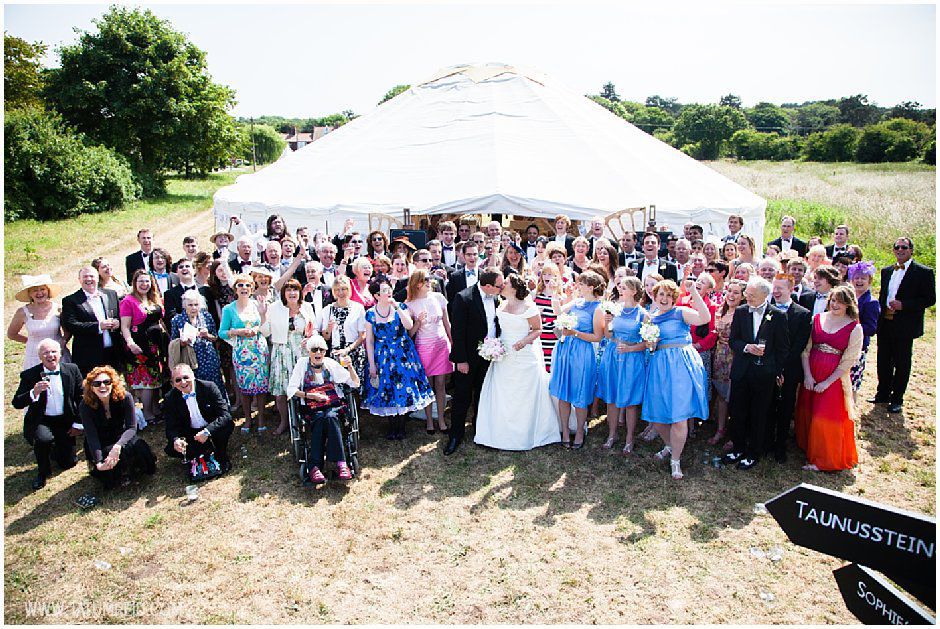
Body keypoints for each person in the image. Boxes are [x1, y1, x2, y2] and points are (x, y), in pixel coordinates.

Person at [473, 274, 559, 450]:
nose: (502, 285)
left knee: (524, 392)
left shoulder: (529, 307)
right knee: (503, 391)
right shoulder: (501, 304)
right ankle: (499, 432)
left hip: (524, 353)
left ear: (514, 287)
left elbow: (537, 330)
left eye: (506, 283)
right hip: (503, 353)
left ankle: (527, 432)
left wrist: (524, 341)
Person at [641, 277, 712, 479]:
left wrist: (694, 292)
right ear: (654, 297)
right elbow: (649, 345)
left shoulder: (681, 312)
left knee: (679, 416)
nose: (664, 298)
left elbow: (704, 318)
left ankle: (675, 461)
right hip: (659, 367)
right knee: (659, 416)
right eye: (660, 294)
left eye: (668, 295)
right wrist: (651, 343)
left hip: (681, 365)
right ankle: (670, 446)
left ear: (674, 297)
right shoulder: (650, 318)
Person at [722, 277, 790, 471]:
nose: (747, 297)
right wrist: (746, 348)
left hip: (764, 374)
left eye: (751, 295)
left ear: (764, 295)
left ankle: (754, 452)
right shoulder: (742, 312)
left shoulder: (777, 315)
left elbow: (783, 348)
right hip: (742, 370)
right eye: (747, 294)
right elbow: (733, 340)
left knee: (759, 414)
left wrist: (775, 371)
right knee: (737, 411)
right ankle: (738, 447)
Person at [795, 286, 863, 471]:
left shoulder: (854, 327)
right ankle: (807, 448)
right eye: (833, 300)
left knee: (824, 417)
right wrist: (807, 375)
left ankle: (823, 459)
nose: (835, 305)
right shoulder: (817, 318)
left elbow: (849, 360)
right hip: (812, 370)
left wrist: (827, 382)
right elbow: (806, 349)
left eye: (840, 302)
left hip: (833, 378)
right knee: (808, 411)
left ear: (848, 304)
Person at [363, 280, 434, 439]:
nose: (388, 292)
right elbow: (369, 340)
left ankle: (402, 426)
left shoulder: (400, 307)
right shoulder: (370, 314)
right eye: (383, 290)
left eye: (389, 289)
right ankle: (392, 426)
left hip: (402, 354)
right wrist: (372, 365)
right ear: (376, 295)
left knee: (403, 388)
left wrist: (396, 306)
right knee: (387, 389)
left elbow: (409, 326)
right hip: (383, 356)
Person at [872, 237, 936, 413]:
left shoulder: (923, 272)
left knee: (902, 362)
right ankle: (882, 393)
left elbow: (930, 299)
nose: (900, 250)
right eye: (897, 247)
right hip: (886, 323)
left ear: (911, 250)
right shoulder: (887, 271)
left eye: (904, 247)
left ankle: (897, 398)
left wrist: (905, 305)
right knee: (883, 360)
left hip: (905, 325)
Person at [446, 267, 505, 455]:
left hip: (490, 356)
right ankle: (456, 434)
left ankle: (480, 429)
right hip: (468, 358)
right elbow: (458, 331)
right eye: (499, 286)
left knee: (483, 393)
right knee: (463, 395)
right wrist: (461, 360)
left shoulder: (496, 299)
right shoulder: (464, 298)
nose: (502, 288)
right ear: (487, 286)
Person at [12, 338, 84, 490]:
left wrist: (78, 424)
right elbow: (17, 403)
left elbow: (82, 397)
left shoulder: (72, 369)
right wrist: (34, 392)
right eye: (45, 353)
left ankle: (56, 449)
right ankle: (43, 472)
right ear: (39, 356)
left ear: (60, 353)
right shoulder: (30, 375)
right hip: (43, 420)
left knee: (69, 463)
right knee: (43, 440)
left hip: (65, 419)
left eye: (53, 352)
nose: (50, 355)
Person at [287, 335, 360, 484]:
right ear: (309, 352)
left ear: (325, 352)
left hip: (332, 404)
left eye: (322, 349)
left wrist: (350, 367)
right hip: (312, 406)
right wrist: (310, 395)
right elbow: (291, 389)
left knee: (331, 417)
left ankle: (341, 463)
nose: (318, 352)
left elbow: (354, 383)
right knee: (320, 418)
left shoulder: (330, 364)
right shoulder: (302, 364)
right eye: (315, 350)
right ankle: (315, 467)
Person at [549, 271, 606, 449]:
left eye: (581, 283)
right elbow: (558, 312)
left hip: (582, 352)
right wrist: (555, 294)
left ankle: (580, 430)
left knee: (580, 393)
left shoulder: (598, 308)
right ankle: (565, 431)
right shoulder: (576, 302)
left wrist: (575, 333)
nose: (577, 286)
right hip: (564, 349)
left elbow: (598, 337)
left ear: (590, 287)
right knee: (563, 393)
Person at [79, 366, 156, 489]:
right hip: (101, 440)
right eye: (97, 384)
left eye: (106, 382)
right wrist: (98, 462)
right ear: (91, 387)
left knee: (139, 449)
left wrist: (118, 446)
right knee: (107, 463)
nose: (102, 386)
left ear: (113, 383)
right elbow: (91, 435)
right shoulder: (85, 405)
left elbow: (131, 428)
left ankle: (132, 470)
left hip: (122, 435)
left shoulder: (125, 397)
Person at [597, 276, 647, 454]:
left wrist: (630, 349)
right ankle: (612, 434)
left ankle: (629, 438)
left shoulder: (642, 314)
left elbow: (648, 342)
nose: (620, 289)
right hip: (613, 354)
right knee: (611, 398)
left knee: (630, 401)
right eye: (620, 287)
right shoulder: (614, 310)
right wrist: (608, 322)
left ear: (634, 291)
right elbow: (608, 336)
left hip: (632, 358)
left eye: (624, 287)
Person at [767, 273, 811, 463]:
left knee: (785, 408)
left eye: (780, 288)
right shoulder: (767, 310)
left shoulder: (803, 314)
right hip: (768, 367)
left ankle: (780, 447)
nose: (776, 292)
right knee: (768, 405)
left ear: (790, 290)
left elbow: (798, 346)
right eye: (774, 288)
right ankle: (765, 442)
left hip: (789, 370)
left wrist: (782, 370)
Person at [262, 279, 316, 435]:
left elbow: (314, 329)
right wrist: (261, 314)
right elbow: (265, 332)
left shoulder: (306, 307)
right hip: (282, 353)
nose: (292, 293)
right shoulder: (274, 308)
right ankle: (284, 422)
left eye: (295, 289)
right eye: (288, 290)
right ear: (283, 293)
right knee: (281, 393)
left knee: (305, 388)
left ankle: (306, 419)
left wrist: (310, 338)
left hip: (302, 352)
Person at [218, 273, 270, 433]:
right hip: (242, 351)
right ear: (235, 289)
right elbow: (222, 332)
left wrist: (261, 317)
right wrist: (237, 331)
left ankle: (261, 418)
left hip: (259, 350)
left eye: (247, 285)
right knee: (244, 386)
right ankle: (247, 419)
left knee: (261, 386)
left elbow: (265, 327)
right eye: (240, 285)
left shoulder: (257, 304)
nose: (244, 288)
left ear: (252, 289)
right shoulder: (229, 309)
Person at [405, 269, 453, 434]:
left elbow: (447, 324)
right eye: (424, 279)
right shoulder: (410, 304)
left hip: (441, 345)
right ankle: (429, 421)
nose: (428, 282)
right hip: (424, 347)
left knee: (441, 384)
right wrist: (418, 322)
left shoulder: (438, 297)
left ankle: (441, 419)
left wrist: (453, 343)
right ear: (416, 283)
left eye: (428, 279)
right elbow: (410, 333)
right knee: (428, 385)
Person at [163, 363, 233, 474]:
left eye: (186, 377)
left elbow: (225, 415)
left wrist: (207, 432)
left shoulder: (209, 387)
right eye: (178, 380)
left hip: (211, 427)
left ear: (193, 376)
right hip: (191, 433)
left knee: (226, 426)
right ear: (173, 383)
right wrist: (175, 440)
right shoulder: (170, 398)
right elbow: (170, 426)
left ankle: (219, 450)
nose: (183, 382)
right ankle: (201, 452)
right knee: (172, 449)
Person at [119, 269, 168, 425]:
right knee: (146, 381)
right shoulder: (128, 301)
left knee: (155, 378)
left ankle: (155, 408)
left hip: (156, 345)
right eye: (141, 281)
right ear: (134, 283)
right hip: (139, 346)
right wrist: (130, 343)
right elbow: (125, 326)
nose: (144, 284)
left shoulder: (154, 299)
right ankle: (147, 413)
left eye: (147, 281)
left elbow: (161, 321)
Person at [62, 266, 122, 376]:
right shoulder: (71, 300)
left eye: (91, 276)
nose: (88, 279)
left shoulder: (111, 294)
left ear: (98, 278)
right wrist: (99, 326)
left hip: (113, 353)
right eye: (85, 276)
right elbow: (71, 325)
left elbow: (119, 315)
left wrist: (118, 322)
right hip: (88, 355)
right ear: (79, 280)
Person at [169, 289, 227, 403]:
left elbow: (215, 337)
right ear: (185, 305)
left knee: (214, 383)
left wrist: (207, 335)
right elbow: (173, 342)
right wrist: (183, 342)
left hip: (208, 357)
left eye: (196, 304)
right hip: (190, 359)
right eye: (190, 305)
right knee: (196, 385)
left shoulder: (206, 316)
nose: (194, 308)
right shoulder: (177, 320)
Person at [708, 279, 746, 449]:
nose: (731, 295)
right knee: (722, 396)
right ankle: (720, 429)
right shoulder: (720, 310)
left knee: (735, 398)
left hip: (735, 357)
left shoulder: (744, 314)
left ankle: (735, 434)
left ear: (743, 296)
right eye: (729, 291)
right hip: (719, 356)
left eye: (736, 292)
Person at [8, 274, 71, 370]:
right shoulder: (22, 312)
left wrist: (62, 342)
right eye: (35, 290)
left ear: (48, 291)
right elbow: (12, 334)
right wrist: (31, 341)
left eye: (42, 289)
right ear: (29, 294)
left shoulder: (58, 309)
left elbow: (68, 331)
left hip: (57, 354)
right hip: (34, 356)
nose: (39, 293)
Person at [319, 275, 367, 392]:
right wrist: (329, 329)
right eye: (337, 289)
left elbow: (362, 335)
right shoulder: (327, 310)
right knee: (338, 389)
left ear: (349, 289)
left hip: (354, 351)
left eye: (343, 289)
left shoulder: (358, 308)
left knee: (356, 387)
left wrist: (348, 349)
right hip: (336, 353)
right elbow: (326, 336)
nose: (341, 292)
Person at [848, 261, 880, 398]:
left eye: (863, 278)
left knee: (852, 383)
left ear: (870, 281)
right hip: (842, 343)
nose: (859, 281)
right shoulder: (848, 297)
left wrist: (851, 327)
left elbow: (871, 328)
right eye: (856, 277)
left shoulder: (871, 302)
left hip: (858, 346)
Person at [533, 264, 564, 372]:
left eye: (550, 274)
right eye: (544, 274)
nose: (547, 276)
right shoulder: (536, 294)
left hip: (553, 334)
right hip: (539, 334)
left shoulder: (560, 296)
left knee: (552, 363)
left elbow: (561, 315)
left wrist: (554, 292)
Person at [162, 258, 207, 328]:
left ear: (194, 270)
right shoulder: (169, 294)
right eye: (181, 267)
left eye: (187, 266)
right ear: (177, 272)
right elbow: (170, 318)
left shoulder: (206, 291)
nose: (184, 268)